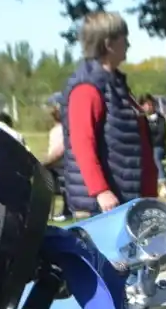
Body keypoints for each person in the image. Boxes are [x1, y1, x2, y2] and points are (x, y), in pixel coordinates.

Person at [59, 11, 157, 216]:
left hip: (125, 197)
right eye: (124, 38)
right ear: (108, 44)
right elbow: (82, 143)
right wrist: (101, 190)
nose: (128, 44)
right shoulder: (87, 88)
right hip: (103, 206)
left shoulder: (115, 84)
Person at [139, 94, 166, 195]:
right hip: (145, 146)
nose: (148, 107)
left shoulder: (160, 119)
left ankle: (162, 183)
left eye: (150, 104)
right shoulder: (141, 119)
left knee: (155, 156)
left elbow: (161, 134)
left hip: (158, 146)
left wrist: (151, 144)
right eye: (146, 105)